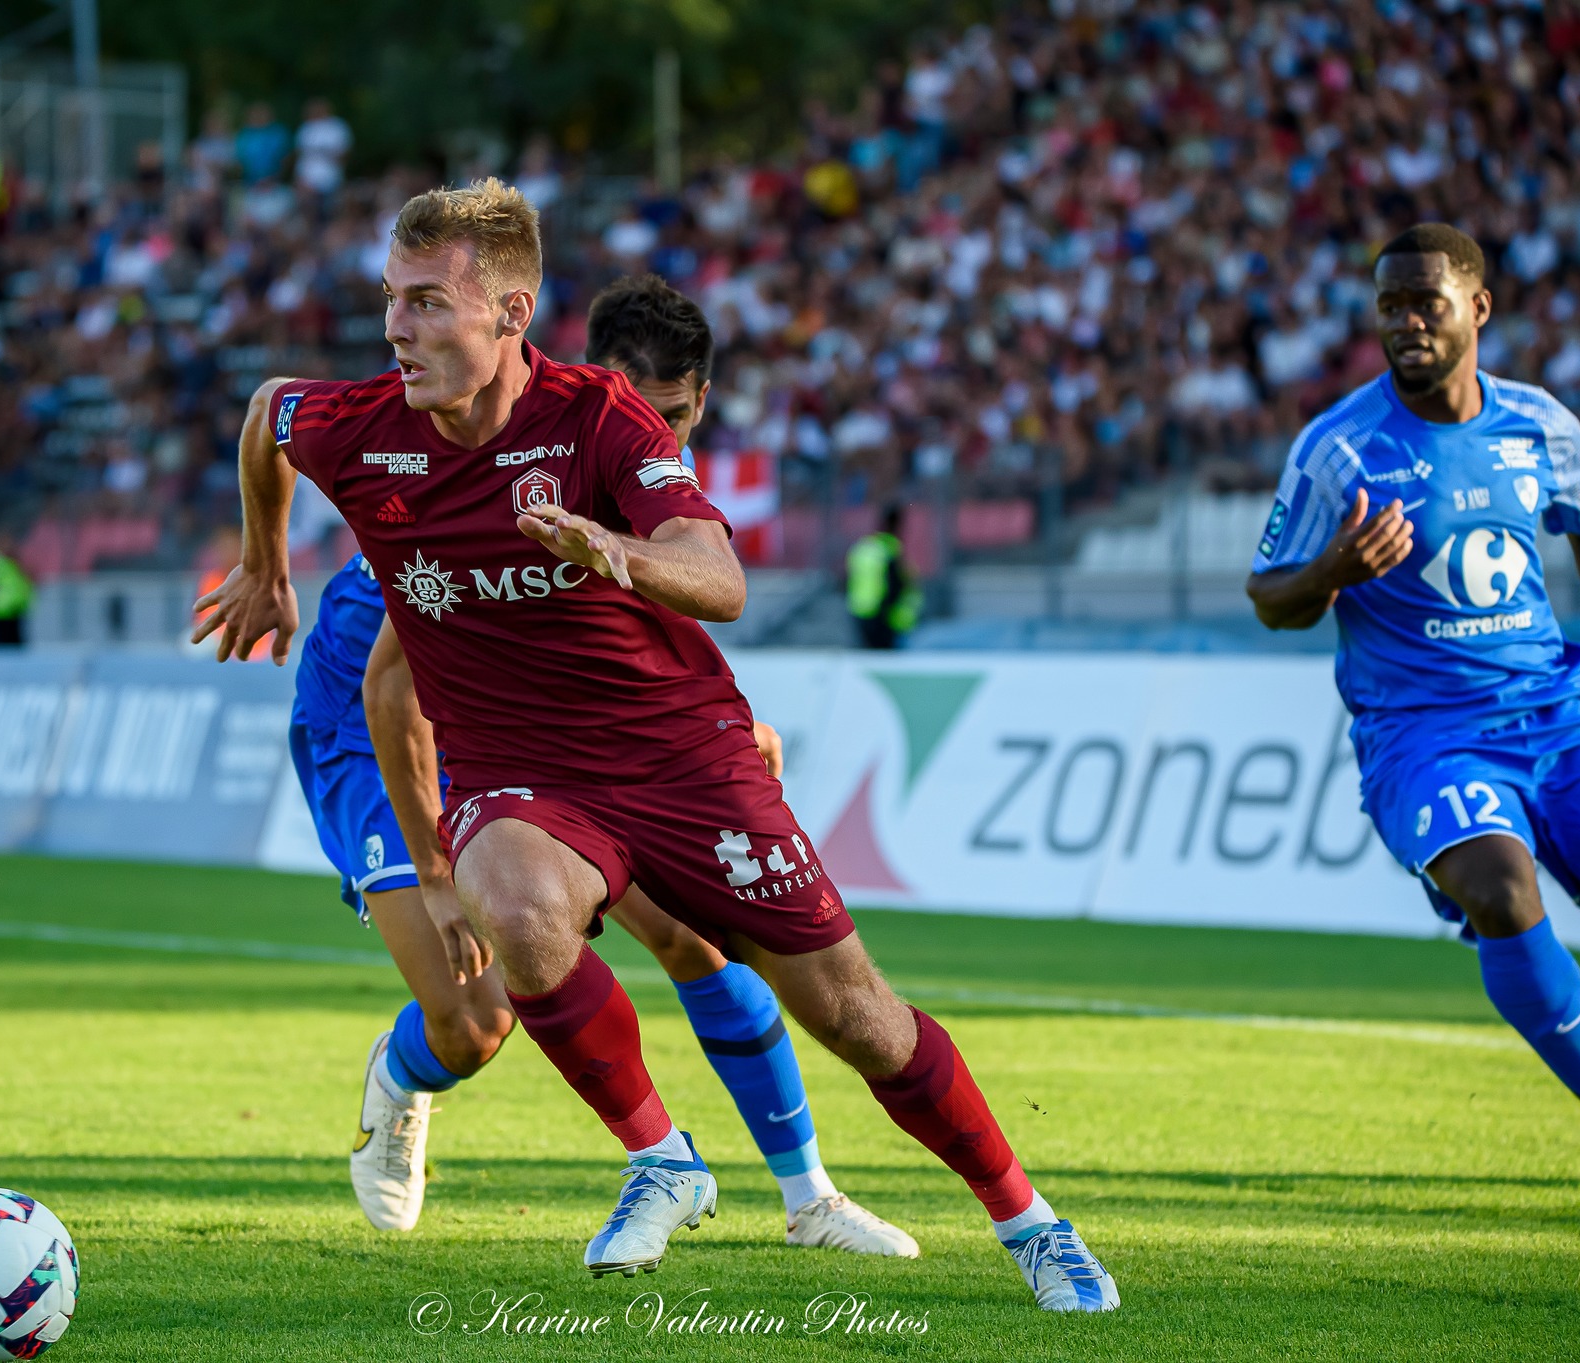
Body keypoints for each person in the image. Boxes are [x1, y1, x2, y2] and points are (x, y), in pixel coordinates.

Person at [195, 179, 1117, 1308]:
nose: (395, 327)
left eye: (426, 302)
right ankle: (657, 1156)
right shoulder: (366, 432)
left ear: (512, 314)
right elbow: (274, 423)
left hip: (672, 757)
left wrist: (612, 552)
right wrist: (264, 564)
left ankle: (1026, 1221)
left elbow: (718, 579)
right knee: (501, 946)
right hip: (471, 753)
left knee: (853, 1015)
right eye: (393, 298)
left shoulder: (600, 421)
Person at [304, 270, 914, 1255]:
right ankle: (401, 1073)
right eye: (641, 410)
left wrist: (723, 732)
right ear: (585, 381)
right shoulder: (523, 455)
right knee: (473, 1022)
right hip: (381, 713)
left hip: (522, 721)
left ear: (699, 402)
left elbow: (635, 639)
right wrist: (436, 868)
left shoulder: (640, 462)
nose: (658, 434)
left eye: (674, 417)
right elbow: (394, 683)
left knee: (693, 935)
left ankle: (808, 1197)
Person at [1246, 222, 1580, 1217]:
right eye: (1388, 306)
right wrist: (1331, 570)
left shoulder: (1537, 423)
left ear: (1476, 308)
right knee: (1498, 888)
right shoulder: (1337, 449)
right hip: (1424, 735)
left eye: (1425, 303)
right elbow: (1267, 595)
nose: (1405, 322)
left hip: (1557, 716)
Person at [846, 505, 919, 649]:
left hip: (859, 610)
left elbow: (849, 578)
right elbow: (894, 584)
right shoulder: (889, 550)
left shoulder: (862, 548)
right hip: (882, 615)